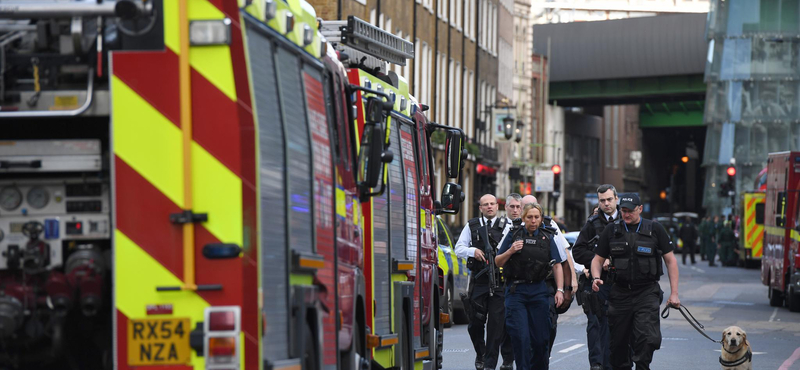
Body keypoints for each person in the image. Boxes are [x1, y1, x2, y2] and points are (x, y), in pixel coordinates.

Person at [591, 193, 680, 370]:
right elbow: (597, 259)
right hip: (620, 293)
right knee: (617, 345)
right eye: (623, 210)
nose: (626, 214)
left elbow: (671, 261)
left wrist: (674, 294)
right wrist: (596, 277)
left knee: (647, 339)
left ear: (640, 209)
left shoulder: (655, 229)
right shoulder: (612, 230)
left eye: (630, 211)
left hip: (646, 292)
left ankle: (642, 366)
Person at [496, 202, 565, 370]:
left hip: (539, 291)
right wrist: (511, 250)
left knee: (541, 340)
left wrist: (560, 290)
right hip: (516, 292)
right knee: (521, 338)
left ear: (541, 219)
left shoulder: (548, 236)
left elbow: (557, 265)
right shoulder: (514, 235)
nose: (533, 221)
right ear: (523, 218)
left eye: (536, 217)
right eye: (529, 217)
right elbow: (498, 261)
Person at [455, 194, 514, 370]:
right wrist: (472, 251)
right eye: (485, 205)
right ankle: (480, 353)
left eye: (492, 204)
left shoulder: (508, 226)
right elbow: (459, 248)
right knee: (475, 323)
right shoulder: (472, 226)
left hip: (499, 282)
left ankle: (489, 364)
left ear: (497, 206)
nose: (489, 207)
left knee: (496, 327)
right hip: (479, 281)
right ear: (480, 208)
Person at [572, 184, 619, 370]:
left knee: (621, 327)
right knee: (596, 325)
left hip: (622, 284)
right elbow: (578, 251)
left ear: (616, 198)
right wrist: (598, 261)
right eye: (602, 201)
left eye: (609, 199)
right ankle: (597, 364)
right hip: (598, 284)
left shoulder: (627, 219)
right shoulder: (592, 224)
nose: (606, 204)